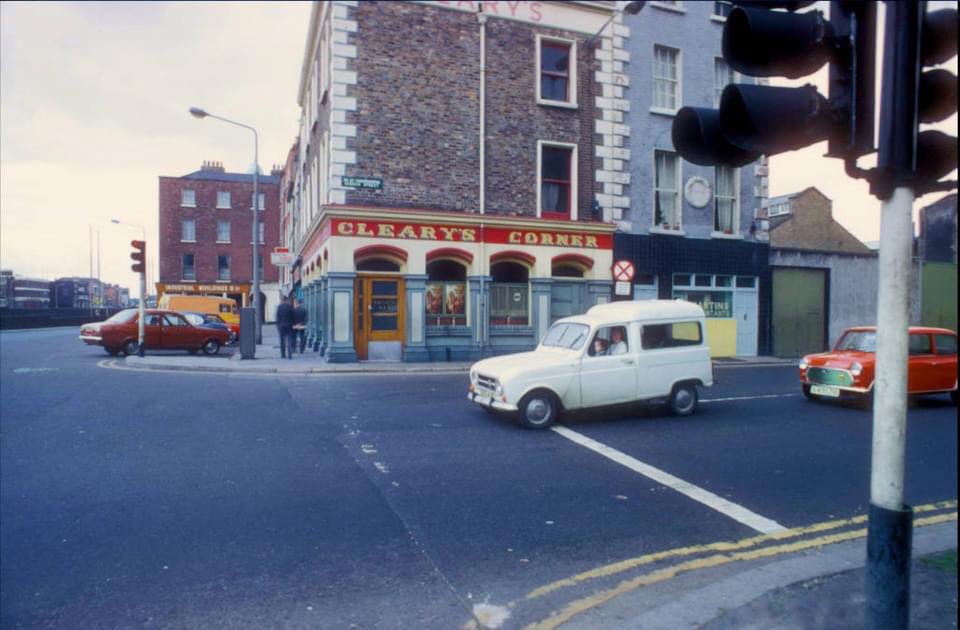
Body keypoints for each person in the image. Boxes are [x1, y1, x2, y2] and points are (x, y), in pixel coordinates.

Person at [275, 295, 294, 360]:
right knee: (289, 339)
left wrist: (277, 325)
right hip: (289, 325)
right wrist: (293, 324)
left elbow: (277, 317)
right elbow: (293, 316)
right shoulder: (290, 307)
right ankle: (289, 353)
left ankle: (283, 354)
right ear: (287, 300)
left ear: (282, 300)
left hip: (281, 326)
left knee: (282, 340)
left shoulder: (279, 307)